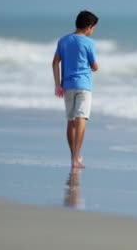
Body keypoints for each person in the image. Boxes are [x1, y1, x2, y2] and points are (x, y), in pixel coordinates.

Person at [52, 10, 99, 168]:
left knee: (71, 121)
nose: (92, 31)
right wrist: (95, 66)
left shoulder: (63, 40)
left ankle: (73, 157)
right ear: (88, 27)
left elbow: (55, 63)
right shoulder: (89, 43)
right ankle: (76, 158)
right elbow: (94, 65)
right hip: (84, 86)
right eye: (93, 28)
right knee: (81, 120)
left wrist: (57, 84)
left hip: (68, 86)